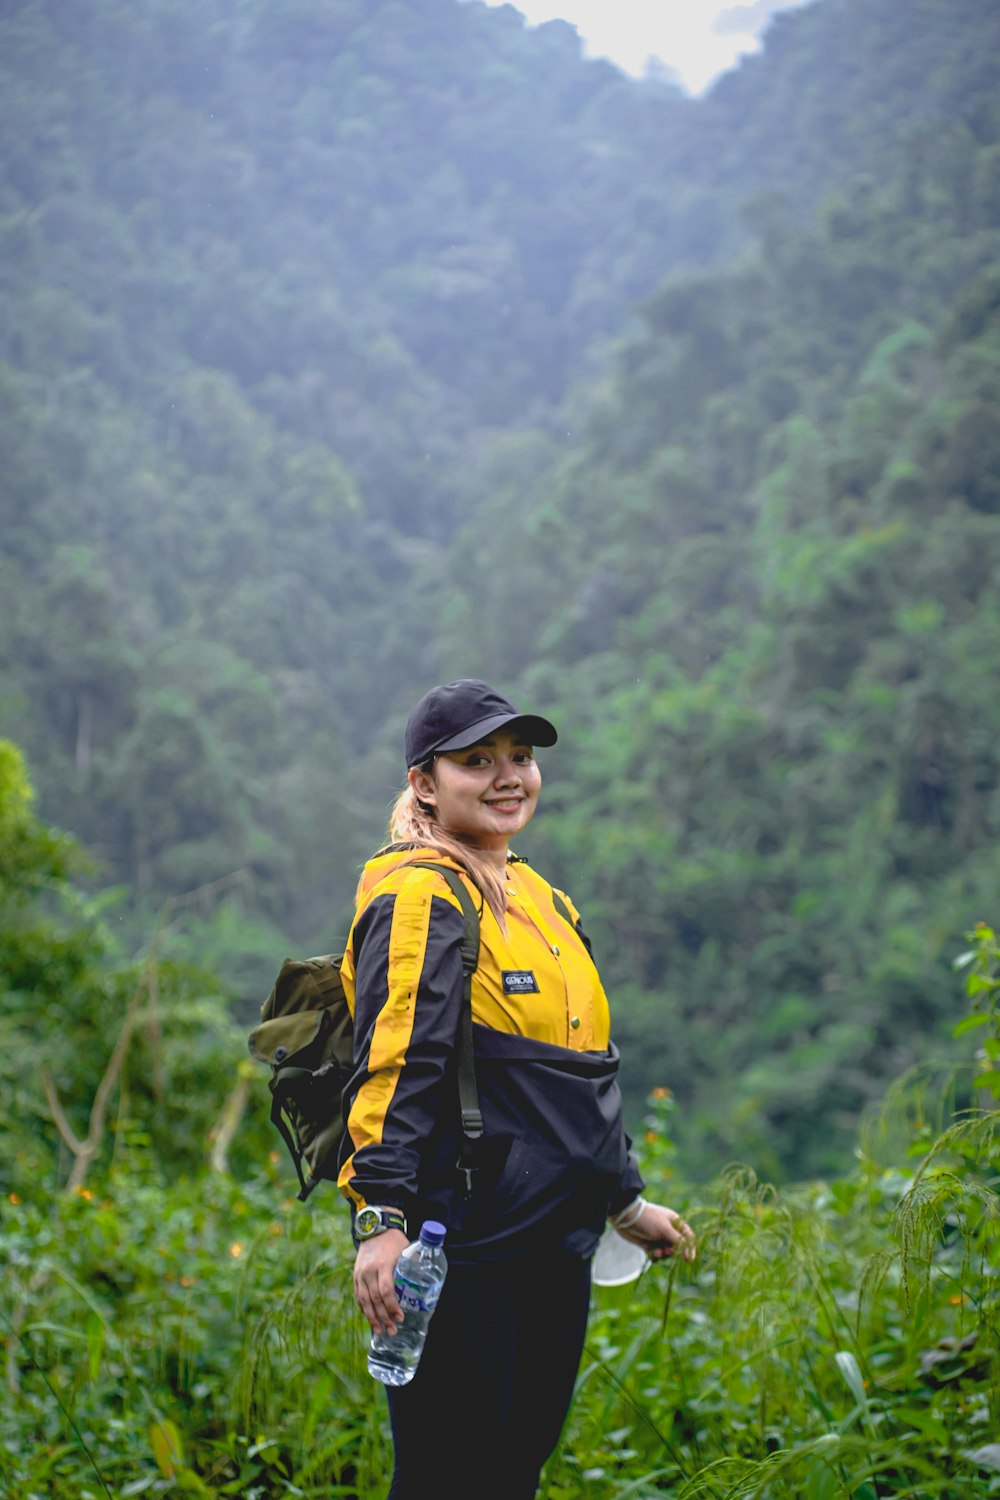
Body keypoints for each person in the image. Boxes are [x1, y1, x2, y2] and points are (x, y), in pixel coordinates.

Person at [337, 679, 695, 1500]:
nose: (509, 777)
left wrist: (626, 1204)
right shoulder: (422, 894)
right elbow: (399, 1062)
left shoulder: (542, 898)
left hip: (555, 1244)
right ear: (425, 783)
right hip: (463, 1243)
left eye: (521, 758)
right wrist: (381, 1221)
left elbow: (578, 1075)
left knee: (513, 1473)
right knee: (447, 1478)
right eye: (477, 761)